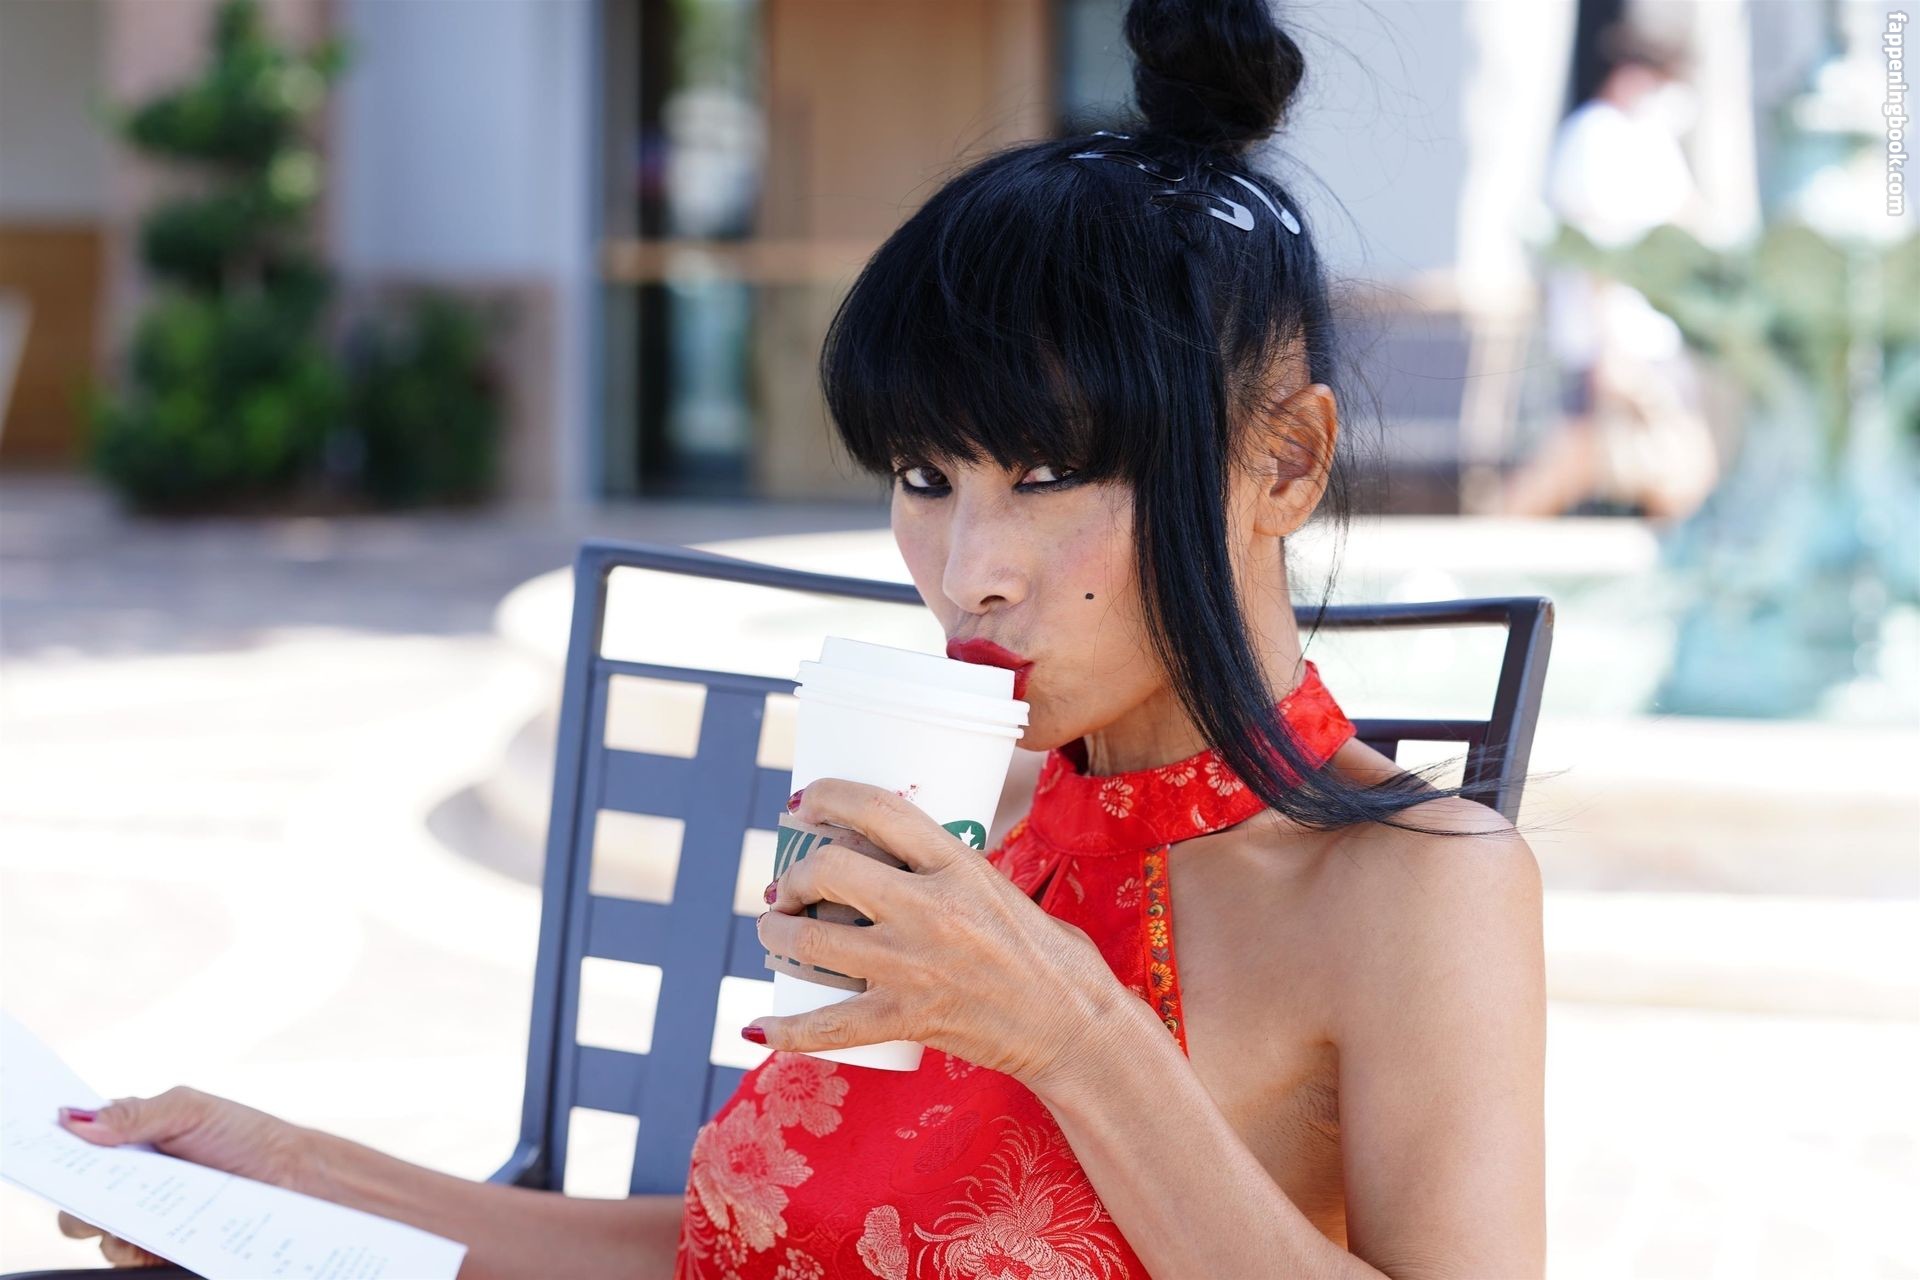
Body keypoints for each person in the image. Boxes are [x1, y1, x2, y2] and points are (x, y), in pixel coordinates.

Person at [51, 2, 1546, 1275]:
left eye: (1046, 475)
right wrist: (291, 1178)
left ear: (1284, 461)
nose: (969, 572)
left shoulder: (1413, 890)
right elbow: (742, 1242)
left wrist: (1074, 1033)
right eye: (925, 477)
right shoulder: (969, 813)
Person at [1493, 21, 1720, 524]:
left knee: (1676, 468)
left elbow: (1688, 222)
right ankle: (1493, 535)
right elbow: (1593, 255)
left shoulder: (1652, 138)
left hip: (1655, 339)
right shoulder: (1594, 136)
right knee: (1579, 461)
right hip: (1609, 341)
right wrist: (1607, 348)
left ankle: (1499, 530)